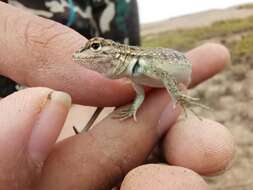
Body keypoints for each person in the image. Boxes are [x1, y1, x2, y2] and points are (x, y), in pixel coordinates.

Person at [0, 1, 234, 190]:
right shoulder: (131, 77)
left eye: (95, 46)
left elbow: (163, 75)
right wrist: (133, 109)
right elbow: (140, 93)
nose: (90, 52)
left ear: (116, 51)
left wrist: (179, 97)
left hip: (177, 63)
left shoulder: (139, 64)